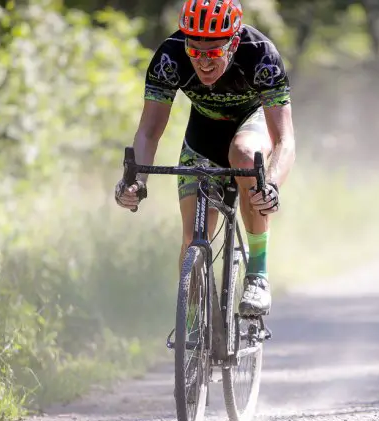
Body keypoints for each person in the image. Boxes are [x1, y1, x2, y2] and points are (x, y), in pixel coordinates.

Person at [114, 0, 295, 316]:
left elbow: (284, 139)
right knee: (192, 237)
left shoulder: (260, 54)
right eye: (195, 52)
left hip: (252, 124)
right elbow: (148, 131)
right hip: (204, 133)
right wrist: (137, 181)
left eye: (212, 53)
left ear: (233, 43)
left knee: (242, 153)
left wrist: (273, 184)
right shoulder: (170, 56)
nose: (203, 63)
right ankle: (194, 324)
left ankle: (258, 274)